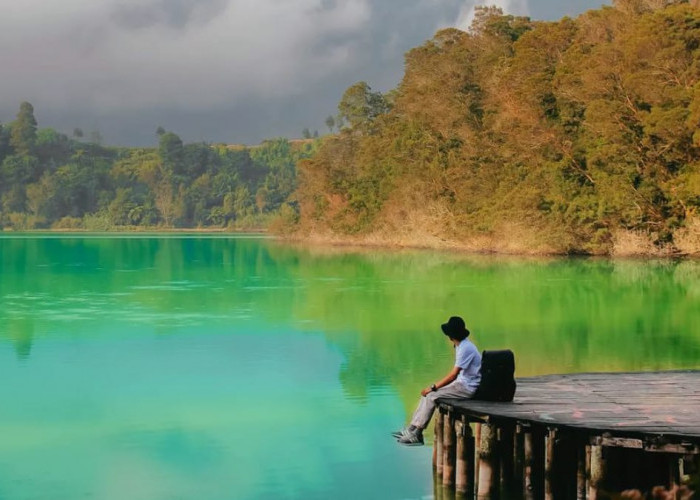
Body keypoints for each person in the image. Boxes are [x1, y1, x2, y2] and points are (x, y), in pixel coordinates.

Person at [394, 316, 481, 445]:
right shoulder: (461, 345)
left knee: (431, 395)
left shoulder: (465, 348)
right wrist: (431, 388)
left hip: (468, 387)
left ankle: (418, 434)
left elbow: (453, 375)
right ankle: (412, 428)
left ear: (451, 335)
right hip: (462, 383)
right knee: (428, 394)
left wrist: (433, 387)